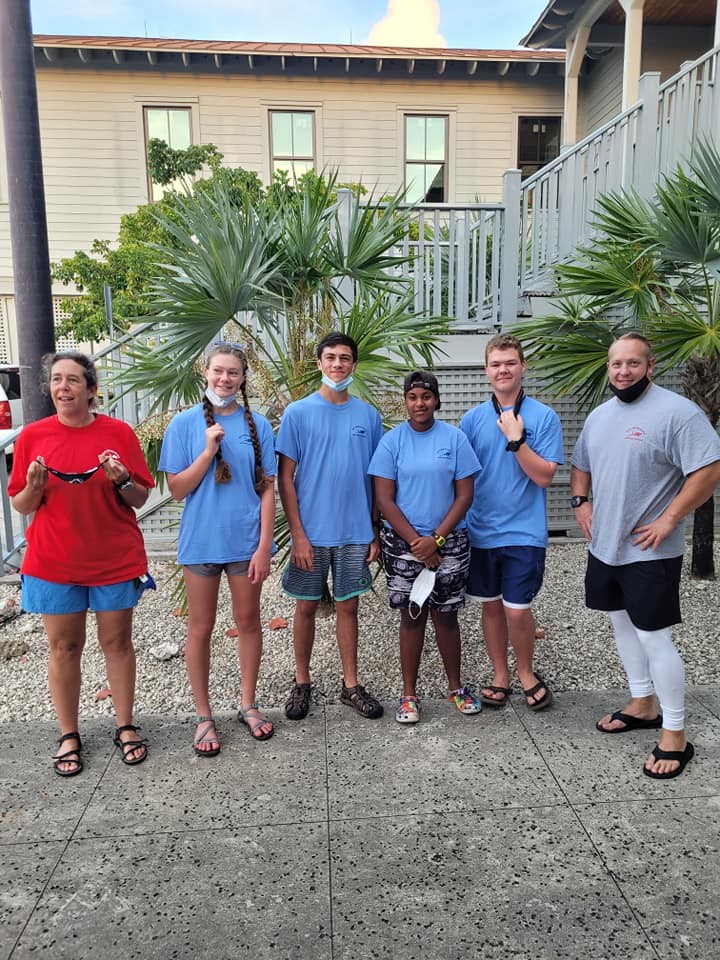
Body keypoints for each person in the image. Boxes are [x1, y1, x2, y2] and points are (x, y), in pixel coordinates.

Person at [571, 332, 720, 779]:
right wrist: (581, 503)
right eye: (616, 364)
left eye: (632, 363)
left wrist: (670, 518)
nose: (623, 371)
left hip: (649, 551)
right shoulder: (600, 416)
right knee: (621, 625)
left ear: (650, 366)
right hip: (606, 546)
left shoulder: (677, 413)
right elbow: (581, 465)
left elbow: (709, 469)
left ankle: (674, 732)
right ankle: (643, 703)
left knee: (654, 637)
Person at [9, 351, 155, 777]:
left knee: (117, 643)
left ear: (91, 390)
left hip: (113, 557)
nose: (63, 387)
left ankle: (125, 725)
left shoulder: (118, 432)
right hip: (54, 560)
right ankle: (69, 733)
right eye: (56, 379)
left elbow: (140, 497)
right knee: (64, 647)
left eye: (73, 380)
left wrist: (122, 479)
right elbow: (22, 502)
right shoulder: (33, 436)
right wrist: (34, 488)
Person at [159, 342, 276, 753]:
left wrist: (265, 546)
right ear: (205, 373)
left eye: (233, 373)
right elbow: (176, 489)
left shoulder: (258, 424)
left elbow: (266, 489)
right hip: (201, 542)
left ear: (244, 378)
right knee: (200, 627)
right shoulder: (184, 425)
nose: (225, 379)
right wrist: (209, 451)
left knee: (248, 621)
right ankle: (204, 715)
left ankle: (248, 703)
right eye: (218, 371)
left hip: (245, 542)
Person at [276, 331, 384, 721]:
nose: (338, 364)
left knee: (348, 607)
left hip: (355, 532)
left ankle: (350, 684)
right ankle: (302, 681)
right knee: (305, 608)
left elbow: (377, 476)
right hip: (312, 534)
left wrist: (373, 528)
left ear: (353, 364)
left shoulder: (368, 416)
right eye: (331, 357)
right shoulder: (298, 413)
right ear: (319, 363)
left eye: (345, 358)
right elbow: (284, 477)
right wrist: (299, 534)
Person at [369, 371, 481, 724]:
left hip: (449, 541)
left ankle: (455, 687)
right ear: (405, 400)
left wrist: (437, 539)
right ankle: (409, 694)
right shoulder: (392, 442)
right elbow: (384, 499)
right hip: (403, 545)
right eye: (413, 397)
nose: (420, 404)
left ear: (437, 400)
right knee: (412, 616)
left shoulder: (455, 438)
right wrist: (418, 545)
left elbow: (465, 495)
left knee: (446, 618)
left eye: (426, 397)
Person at [459, 333, 564, 711]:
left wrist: (518, 441)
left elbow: (545, 477)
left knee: (517, 608)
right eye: (495, 363)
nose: (503, 369)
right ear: (486, 371)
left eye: (510, 362)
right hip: (481, 531)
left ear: (523, 367)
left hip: (524, 531)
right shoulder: (470, 420)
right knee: (490, 606)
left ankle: (526, 672)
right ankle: (500, 673)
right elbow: (461, 478)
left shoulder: (543, 416)